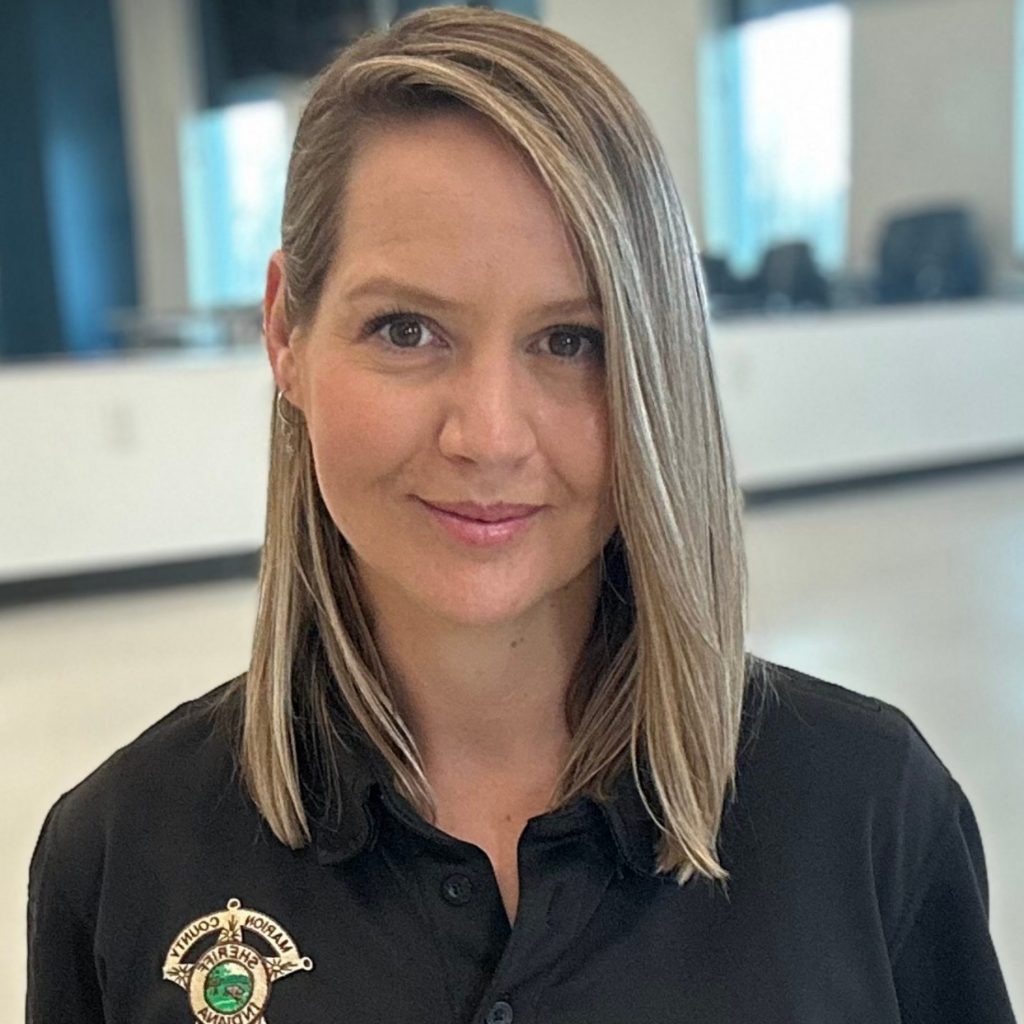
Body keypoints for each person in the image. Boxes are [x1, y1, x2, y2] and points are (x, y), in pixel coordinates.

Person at [26, 6, 1016, 1023]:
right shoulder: (120, 856)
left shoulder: (867, 813)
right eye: (406, 328)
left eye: (570, 340)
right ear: (286, 332)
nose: (489, 436)